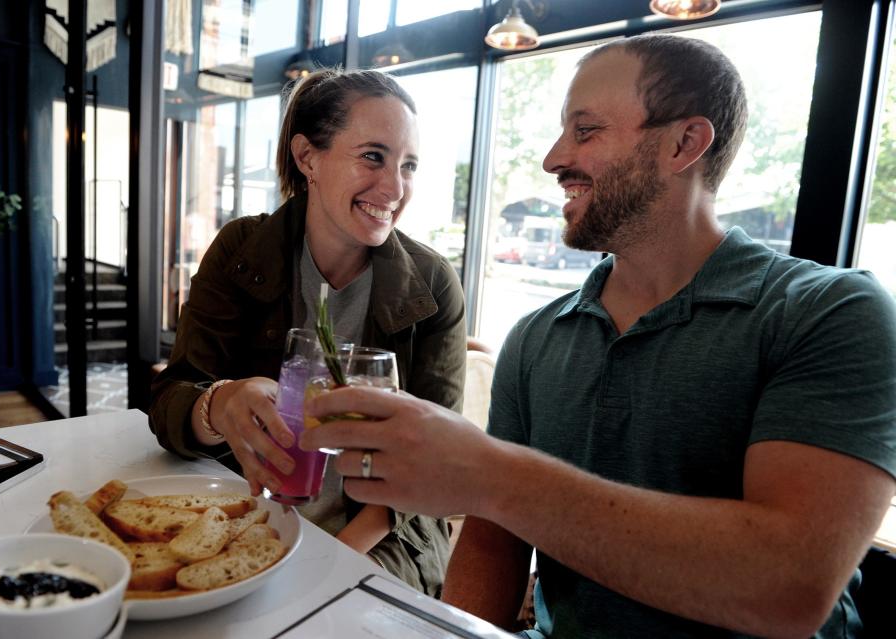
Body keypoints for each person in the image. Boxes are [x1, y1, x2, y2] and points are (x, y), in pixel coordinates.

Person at [301, 34, 896, 637]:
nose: (554, 159)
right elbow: (492, 549)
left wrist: (489, 473)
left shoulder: (830, 312)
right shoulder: (537, 337)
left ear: (684, 144)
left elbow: (790, 589)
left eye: (585, 131)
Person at [148, 68, 467, 597]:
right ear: (307, 157)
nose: (394, 187)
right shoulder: (241, 253)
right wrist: (218, 404)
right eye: (373, 156)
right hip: (245, 514)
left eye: (407, 165)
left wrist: (330, 556)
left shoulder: (431, 285)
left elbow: (439, 461)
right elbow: (170, 401)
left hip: (383, 534)